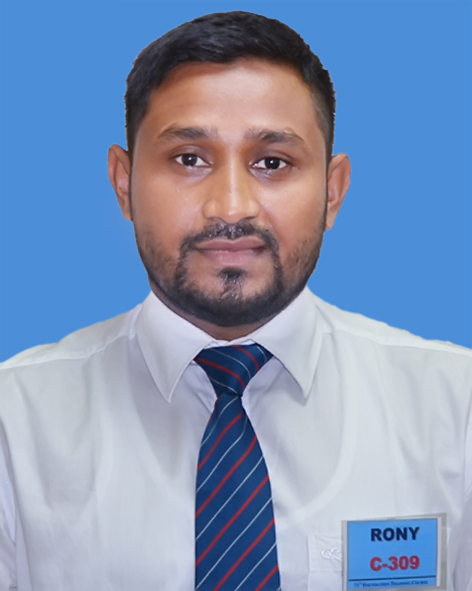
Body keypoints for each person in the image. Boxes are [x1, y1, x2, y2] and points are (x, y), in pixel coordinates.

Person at [0, 10, 470, 591]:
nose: (230, 206)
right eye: (189, 159)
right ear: (124, 184)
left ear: (332, 191)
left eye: (272, 163)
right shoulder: (14, 422)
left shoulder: (456, 410)